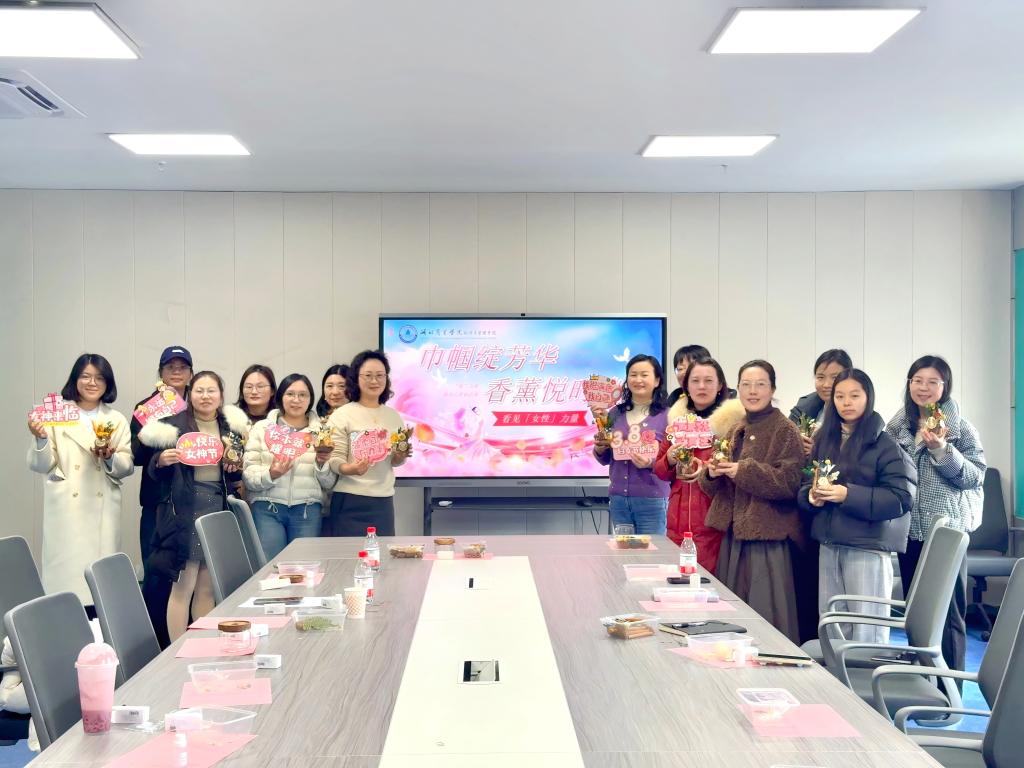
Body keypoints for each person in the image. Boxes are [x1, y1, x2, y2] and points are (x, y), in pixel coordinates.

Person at [798, 369, 916, 643]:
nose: (846, 402)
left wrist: (846, 495)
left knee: (866, 632)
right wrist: (812, 497)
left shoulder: (885, 445)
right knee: (832, 627)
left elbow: (901, 498)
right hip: (829, 545)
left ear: (868, 398)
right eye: (839, 396)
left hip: (867, 548)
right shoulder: (824, 440)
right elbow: (804, 484)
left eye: (854, 396)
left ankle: (868, 673)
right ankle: (834, 674)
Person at [886, 355, 985, 672]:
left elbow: (975, 477)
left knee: (948, 613)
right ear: (909, 384)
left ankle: (949, 684)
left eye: (932, 382)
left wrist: (942, 450)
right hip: (909, 530)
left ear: (945, 387)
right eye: (917, 380)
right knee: (915, 610)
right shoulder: (896, 428)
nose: (924, 388)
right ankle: (921, 678)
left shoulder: (961, 429)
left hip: (946, 534)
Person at [139, 371, 249, 645]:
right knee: (183, 585)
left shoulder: (230, 428)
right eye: (199, 390)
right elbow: (153, 470)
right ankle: (177, 650)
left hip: (218, 506)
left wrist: (234, 469)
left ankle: (204, 645)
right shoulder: (173, 426)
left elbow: (235, 475)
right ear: (190, 394)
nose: (205, 396)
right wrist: (161, 460)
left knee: (207, 586)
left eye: (212, 391)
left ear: (221, 395)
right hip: (186, 509)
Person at [699, 360, 806, 643]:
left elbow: (790, 482)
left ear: (773, 389)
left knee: (766, 614)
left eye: (760, 384)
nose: (753, 391)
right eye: (746, 385)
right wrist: (712, 473)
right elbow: (714, 488)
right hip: (735, 535)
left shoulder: (785, 430)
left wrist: (742, 471)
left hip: (767, 537)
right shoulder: (736, 428)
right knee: (732, 612)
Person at [27, 353, 133, 608]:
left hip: (102, 507)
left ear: (108, 383)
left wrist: (109, 457)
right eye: (85, 376)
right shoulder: (55, 416)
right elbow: (40, 464)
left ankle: (98, 631)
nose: (92, 383)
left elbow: (127, 465)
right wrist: (41, 438)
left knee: (100, 587)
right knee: (65, 584)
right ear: (75, 380)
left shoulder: (115, 419)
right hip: (67, 509)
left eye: (99, 378)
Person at [654, 356, 743, 569]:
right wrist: (670, 459)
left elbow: (742, 472)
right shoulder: (677, 422)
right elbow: (659, 471)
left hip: (715, 519)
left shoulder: (735, 425)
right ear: (686, 385)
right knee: (677, 578)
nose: (701, 386)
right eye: (695, 381)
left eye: (709, 380)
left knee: (711, 582)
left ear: (720, 385)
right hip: (677, 520)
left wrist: (708, 470)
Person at [243, 374, 336, 559]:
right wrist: (271, 474)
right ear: (280, 396)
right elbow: (248, 477)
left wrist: (321, 463)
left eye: (303, 395)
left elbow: (329, 483)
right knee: (270, 567)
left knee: (304, 568)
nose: (296, 400)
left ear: (310, 399)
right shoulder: (262, 428)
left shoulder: (322, 432)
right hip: (267, 508)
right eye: (290, 394)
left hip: (307, 511)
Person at [325, 350, 412, 536]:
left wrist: (400, 456)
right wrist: (351, 469)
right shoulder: (342, 414)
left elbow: (394, 461)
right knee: (348, 554)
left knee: (382, 553)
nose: (374, 381)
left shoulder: (393, 416)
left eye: (380, 375)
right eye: (368, 375)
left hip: (383, 500)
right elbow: (334, 459)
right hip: (349, 500)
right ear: (356, 378)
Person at [593, 354, 671, 536]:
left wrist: (651, 463)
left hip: (652, 499)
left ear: (657, 380)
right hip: (619, 498)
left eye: (644, 375)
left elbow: (674, 461)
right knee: (623, 551)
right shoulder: (614, 413)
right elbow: (605, 459)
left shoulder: (667, 415)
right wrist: (600, 448)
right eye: (633, 375)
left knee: (652, 552)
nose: (638, 380)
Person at [130, 345, 193, 566]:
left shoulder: (200, 405)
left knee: (191, 570)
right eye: (170, 367)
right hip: (157, 500)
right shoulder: (146, 408)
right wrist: (150, 433)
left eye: (182, 367)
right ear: (160, 372)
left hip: (192, 499)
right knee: (155, 567)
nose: (176, 371)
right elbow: (135, 456)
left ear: (191, 373)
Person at [789, 349, 853, 457]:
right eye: (820, 377)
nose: (826, 384)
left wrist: (818, 452)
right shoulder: (803, 409)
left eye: (835, 377)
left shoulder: (855, 414)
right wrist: (795, 444)